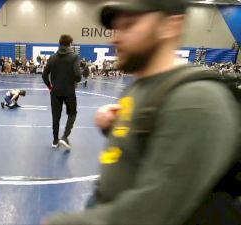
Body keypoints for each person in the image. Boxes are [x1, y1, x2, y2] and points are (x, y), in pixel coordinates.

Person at [43, 0, 240, 224]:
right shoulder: (139, 87)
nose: (114, 37)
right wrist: (113, 129)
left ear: (171, 25)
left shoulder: (197, 100)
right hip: (104, 203)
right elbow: (145, 145)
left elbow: (151, 211)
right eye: (116, 27)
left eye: (129, 24)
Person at [42, 34, 81, 150]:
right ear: (70, 44)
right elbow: (78, 77)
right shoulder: (74, 57)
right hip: (69, 91)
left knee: (56, 116)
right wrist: (73, 79)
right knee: (72, 113)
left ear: (59, 43)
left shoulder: (52, 57)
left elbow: (44, 75)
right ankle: (65, 136)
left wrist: (50, 87)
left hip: (55, 92)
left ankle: (55, 140)